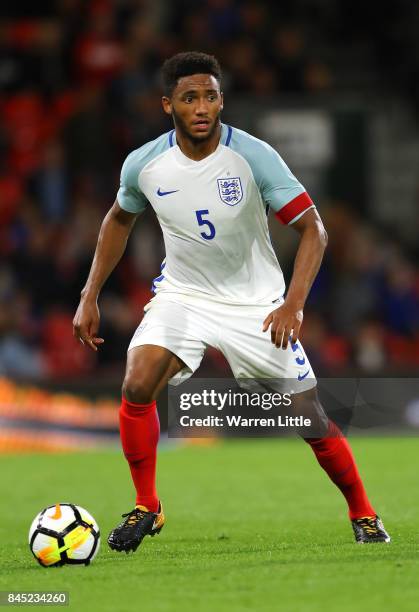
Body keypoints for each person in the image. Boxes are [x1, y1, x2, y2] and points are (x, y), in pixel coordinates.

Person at [73, 51, 390, 552]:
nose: (201, 107)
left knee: (308, 419)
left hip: (255, 305)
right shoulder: (145, 164)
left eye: (210, 96)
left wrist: (294, 303)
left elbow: (314, 230)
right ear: (167, 105)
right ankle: (147, 505)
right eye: (189, 98)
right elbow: (118, 218)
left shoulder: (253, 156)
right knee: (137, 381)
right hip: (184, 294)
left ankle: (363, 512)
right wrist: (90, 293)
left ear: (222, 100)